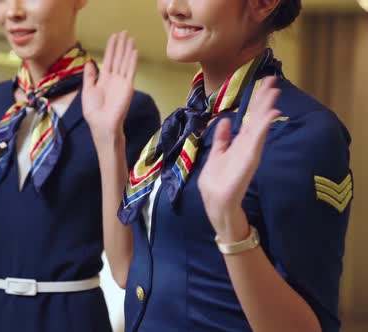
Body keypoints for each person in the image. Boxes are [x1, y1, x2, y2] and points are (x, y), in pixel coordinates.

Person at [83, 0, 352, 331]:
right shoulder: (182, 127)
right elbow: (126, 270)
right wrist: (109, 138)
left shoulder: (301, 132)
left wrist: (231, 227)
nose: (172, 7)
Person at [0, 0, 161, 331]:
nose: (12, 12)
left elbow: (127, 265)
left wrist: (109, 137)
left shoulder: (131, 111)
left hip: (69, 316)